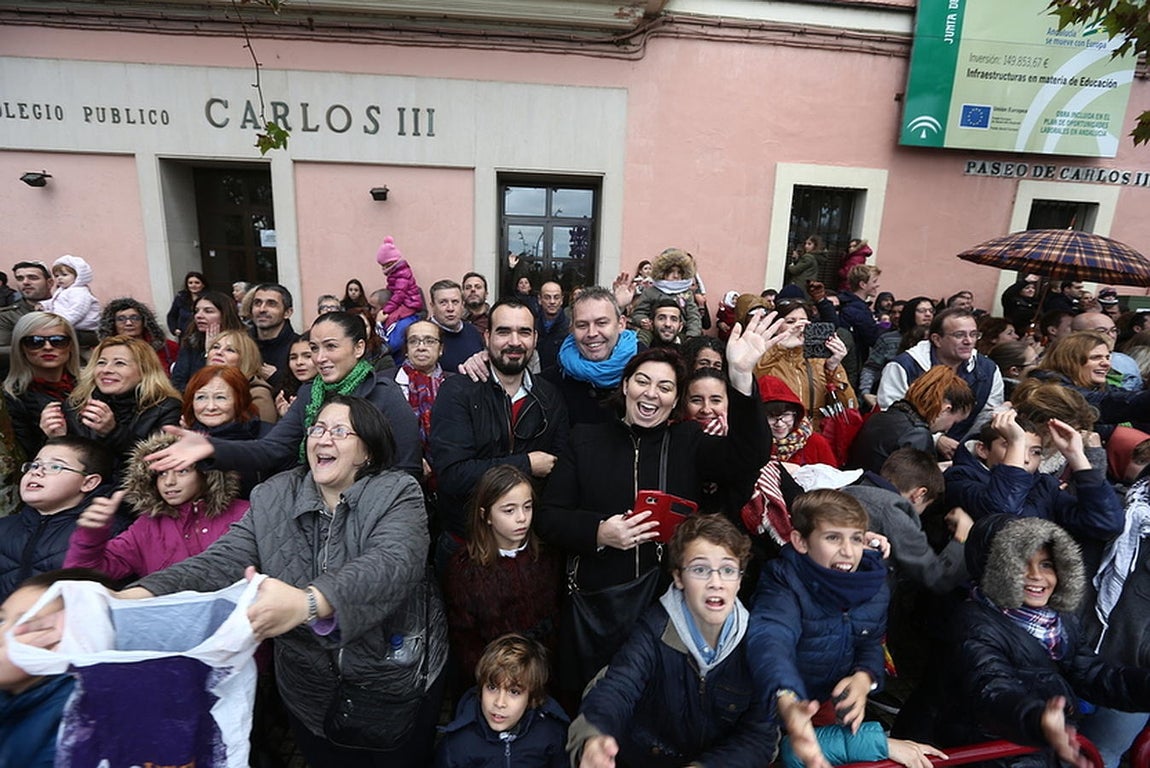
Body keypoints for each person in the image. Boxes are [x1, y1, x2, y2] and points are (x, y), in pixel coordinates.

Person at [131, 396, 446, 767]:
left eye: (340, 431)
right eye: (318, 429)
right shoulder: (273, 496)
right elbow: (220, 562)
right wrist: (136, 596)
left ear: (367, 451)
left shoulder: (397, 491)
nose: (324, 438)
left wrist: (307, 603)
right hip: (308, 691)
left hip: (394, 680)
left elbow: (393, 562)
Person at [537, 312, 778, 696]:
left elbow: (750, 454)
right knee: (589, 700)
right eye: (643, 382)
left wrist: (741, 376)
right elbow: (549, 518)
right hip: (597, 604)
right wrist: (599, 531)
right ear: (626, 385)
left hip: (666, 603)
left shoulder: (689, 441)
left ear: (675, 399)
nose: (652, 393)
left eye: (665, 387)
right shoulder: (584, 439)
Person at [929, 515, 1150, 768]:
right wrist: (1036, 719)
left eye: (1046, 564)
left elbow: (1092, 673)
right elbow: (991, 687)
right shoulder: (974, 622)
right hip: (986, 754)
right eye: (1021, 565)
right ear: (994, 569)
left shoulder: (1059, 620)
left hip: (1034, 751)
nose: (1036, 575)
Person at [747, 490, 941, 768]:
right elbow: (771, 639)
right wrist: (787, 697)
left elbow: (870, 642)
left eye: (856, 538)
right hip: (772, 701)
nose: (848, 552)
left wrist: (864, 678)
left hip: (824, 700)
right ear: (801, 541)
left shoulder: (873, 584)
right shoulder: (783, 581)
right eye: (832, 538)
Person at [567, 515, 778, 768]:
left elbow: (759, 735)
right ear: (679, 578)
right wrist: (595, 737)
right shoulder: (653, 630)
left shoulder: (758, 644)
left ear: (740, 578)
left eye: (728, 570)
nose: (716, 583)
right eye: (700, 570)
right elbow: (618, 687)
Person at [143, 311, 422, 480]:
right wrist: (212, 448)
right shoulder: (309, 394)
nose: (320, 358)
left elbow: (407, 471)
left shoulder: (384, 396)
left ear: (359, 348)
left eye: (331, 346)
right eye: (314, 348)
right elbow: (271, 450)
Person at [430, 299, 568, 557]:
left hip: (530, 545)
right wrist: (526, 464)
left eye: (524, 332)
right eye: (504, 331)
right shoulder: (458, 391)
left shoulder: (550, 397)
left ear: (535, 338)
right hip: (467, 544)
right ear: (487, 336)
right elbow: (452, 476)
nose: (514, 342)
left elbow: (558, 471)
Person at [63, 433, 249, 579]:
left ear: (206, 474)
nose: (169, 482)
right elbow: (83, 576)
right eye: (161, 473)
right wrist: (91, 534)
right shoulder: (146, 527)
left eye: (182, 470)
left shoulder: (246, 514)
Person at [443, 465, 561, 688]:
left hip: (545, 677)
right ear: (485, 515)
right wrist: (496, 679)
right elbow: (464, 637)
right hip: (494, 680)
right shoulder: (465, 568)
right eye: (509, 510)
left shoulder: (547, 555)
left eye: (528, 507)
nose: (522, 518)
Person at [943, 409, 1124, 549]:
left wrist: (1076, 457)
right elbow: (1003, 510)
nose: (1025, 458)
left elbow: (1106, 524)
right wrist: (1016, 442)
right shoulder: (959, 477)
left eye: (1035, 452)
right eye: (1010, 445)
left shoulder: (1044, 485)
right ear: (983, 450)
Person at [0, 569, 117, 767]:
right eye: (2, 620)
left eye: (26, 624)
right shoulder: (11, 698)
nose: (2, 633)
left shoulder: (77, 726)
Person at [40, 336, 181, 482]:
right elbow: (65, 467)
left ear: (144, 370)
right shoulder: (76, 405)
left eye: (119, 363)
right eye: (101, 363)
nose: (106, 370)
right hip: (80, 491)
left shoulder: (166, 408)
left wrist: (113, 432)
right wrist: (57, 438)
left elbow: (156, 466)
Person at [877, 308, 1004, 459]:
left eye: (974, 334)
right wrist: (936, 439)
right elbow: (891, 417)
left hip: (965, 454)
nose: (969, 341)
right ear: (937, 339)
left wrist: (967, 448)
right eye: (959, 335)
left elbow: (988, 416)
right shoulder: (905, 365)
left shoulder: (988, 369)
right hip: (908, 454)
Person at [843, 448, 971, 593]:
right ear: (919, 494)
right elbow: (937, 577)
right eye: (926, 505)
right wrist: (962, 538)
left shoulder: (848, 490)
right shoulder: (894, 513)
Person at [0, 437, 111, 600]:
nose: (37, 472)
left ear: (89, 482)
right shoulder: (4, 527)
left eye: (55, 466)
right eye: (35, 465)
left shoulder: (102, 529)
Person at [435, 634, 568, 768]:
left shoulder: (550, 734)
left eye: (514, 692)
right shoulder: (457, 744)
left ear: (531, 698)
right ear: (480, 690)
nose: (499, 703)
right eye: (492, 688)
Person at [542, 284, 642, 426]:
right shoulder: (550, 383)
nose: (592, 333)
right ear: (571, 329)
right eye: (582, 325)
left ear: (621, 324)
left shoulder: (646, 370)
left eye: (601, 323)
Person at [754, 297, 855, 432]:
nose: (798, 327)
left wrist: (833, 369)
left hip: (814, 436)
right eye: (790, 322)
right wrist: (780, 348)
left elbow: (849, 405)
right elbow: (750, 383)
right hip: (775, 433)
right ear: (776, 327)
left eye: (803, 322)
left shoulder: (820, 360)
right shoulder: (765, 355)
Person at [849, 365, 974, 473]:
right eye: (954, 422)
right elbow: (912, 486)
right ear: (945, 409)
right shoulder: (917, 436)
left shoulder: (884, 416)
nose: (948, 429)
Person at [1031, 331, 1150, 432]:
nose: (1106, 364)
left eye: (1107, 357)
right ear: (1070, 361)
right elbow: (1108, 403)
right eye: (1096, 357)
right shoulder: (1049, 389)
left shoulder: (1101, 387)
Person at [181, 365, 270, 497]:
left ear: (240, 400)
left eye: (220, 397)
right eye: (201, 398)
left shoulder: (267, 438)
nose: (210, 407)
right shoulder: (181, 443)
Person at [3, 312, 80, 459]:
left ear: (71, 345)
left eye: (58, 340)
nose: (48, 347)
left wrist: (109, 429)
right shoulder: (12, 399)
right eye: (35, 341)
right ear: (21, 348)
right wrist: (50, 439)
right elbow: (23, 459)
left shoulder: (91, 385)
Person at [860, 296, 935, 403]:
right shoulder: (888, 339)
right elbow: (871, 368)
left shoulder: (938, 340)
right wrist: (866, 392)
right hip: (892, 396)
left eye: (931, 311)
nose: (928, 314)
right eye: (922, 311)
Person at [171, 290, 245, 391]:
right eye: (196, 311)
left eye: (208, 311)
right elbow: (177, 382)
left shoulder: (242, 343)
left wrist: (210, 352)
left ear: (224, 315)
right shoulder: (191, 342)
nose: (199, 316)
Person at [758, 375, 838, 466]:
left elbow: (833, 476)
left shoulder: (815, 442)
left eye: (786, 415)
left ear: (795, 414)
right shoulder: (748, 447)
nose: (779, 423)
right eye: (771, 417)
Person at [629, 248, 702, 343]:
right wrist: (643, 321)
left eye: (679, 272)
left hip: (678, 332)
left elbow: (693, 316)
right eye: (671, 272)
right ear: (663, 273)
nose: (676, 276)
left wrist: (692, 335)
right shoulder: (651, 291)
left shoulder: (686, 293)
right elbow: (638, 312)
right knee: (643, 337)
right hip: (653, 330)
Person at [206, 328, 278, 424]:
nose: (218, 352)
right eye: (215, 347)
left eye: (230, 350)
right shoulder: (203, 386)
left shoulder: (257, 394)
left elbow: (264, 435)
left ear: (245, 359)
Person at [97, 298, 179, 375]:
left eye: (135, 318)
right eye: (121, 319)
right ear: (112, 323)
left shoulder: (168, 347)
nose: (129, 323)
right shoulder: (103, 350)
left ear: (144, 322)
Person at [1071, 312, 1143, 392]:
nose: (1111, 335)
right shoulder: (1063, 367)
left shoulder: (1126, 362)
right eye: (1101, 331)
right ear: (1076, 334)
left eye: (1114, 330)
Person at [247, 283, 297, 392]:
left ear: (287, 313)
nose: (262, 309)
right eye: (257, 303)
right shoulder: (241, 345)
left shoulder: (299, 346)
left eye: (271, 304)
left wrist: (276, 378)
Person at [0, 262, 55, 359]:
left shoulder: (70, 308)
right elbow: (2, 351)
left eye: (33, 278)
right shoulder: (7, 315)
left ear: (49, 283)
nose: (25, 282)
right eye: (20, 278)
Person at [428, 280, 485, 372]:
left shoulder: (472, 331)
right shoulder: (423, 336)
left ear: (462, 305)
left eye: (455, 302)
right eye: (443, 303)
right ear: (432, 306)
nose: (450, 308)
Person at [43, 255, 101, 346]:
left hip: (83, 331)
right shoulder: (63, 290)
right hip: (67, 326)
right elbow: (55, 302)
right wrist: (44, 305)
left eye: (64, 275)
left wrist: (60, 323)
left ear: (78, 276)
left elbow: (77, 312)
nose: (59, 278)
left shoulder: (80, 292)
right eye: (57, 276)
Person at [837, 264, 884, 365]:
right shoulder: (857, 310)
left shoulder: (847, 303)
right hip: (855, 359)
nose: (877, 285)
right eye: (874, 281)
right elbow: (872, 338)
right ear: (863, 284)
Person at [276, 333, 318, 416]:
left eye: (307, 356)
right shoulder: (286, 393)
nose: (299, 363)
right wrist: (287, 416)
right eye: (293, 358)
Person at [682, 367, 729, 435]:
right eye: (697, 400)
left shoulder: (743, 438)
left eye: (715, 400)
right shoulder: (669, 436)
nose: (706, 410)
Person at [535, 280, 569, 372]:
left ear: (561, 300)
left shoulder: (570, 327)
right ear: (540, 300)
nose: (552, 301)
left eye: (556, 297)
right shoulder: (532, 326)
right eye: (547, 297)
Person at [165, 270, 206, 338]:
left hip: (203, 335)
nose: (193, 285)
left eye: (197, 283)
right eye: (190, 283)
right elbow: (172, 315)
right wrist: (174, 329)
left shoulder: (209, 298)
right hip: (184, 336)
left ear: (203, 284)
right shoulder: (180, 298)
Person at [462, 272, 491, 336]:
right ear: (462, 294)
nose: (473, 290)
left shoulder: (493, 318)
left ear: (486, 294)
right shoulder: (456, 319)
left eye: (478, 287)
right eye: (468, 288)